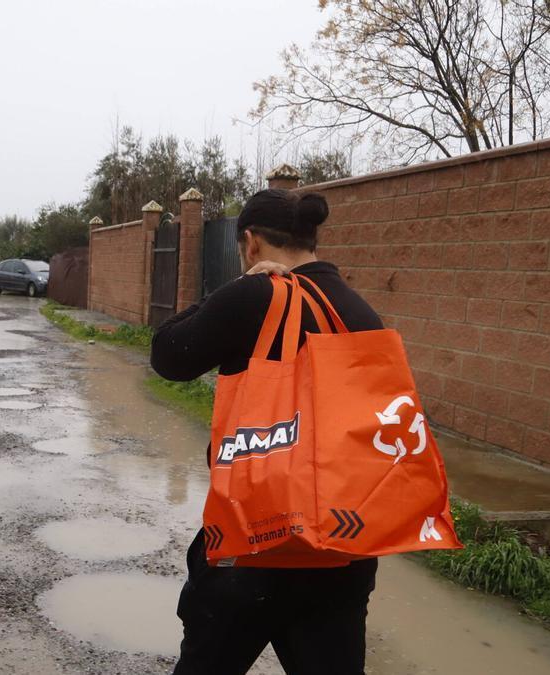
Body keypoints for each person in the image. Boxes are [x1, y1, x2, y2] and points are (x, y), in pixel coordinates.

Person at [150, 189, 383, 675]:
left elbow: (168, 355)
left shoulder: (255, 294)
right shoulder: (360, 313)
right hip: (343, 546)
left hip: (252, 544)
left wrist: (233, 288)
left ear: (251, 244)